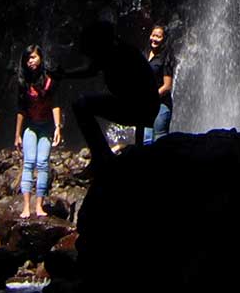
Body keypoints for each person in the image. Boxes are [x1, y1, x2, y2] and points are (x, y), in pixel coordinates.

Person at [68, 21, 159, 169]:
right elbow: (91, 70)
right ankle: (102, 155)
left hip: (140, 108)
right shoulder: (114, 51)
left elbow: (91, 70)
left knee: (82, 104)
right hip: (137, 106)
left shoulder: (119, 53)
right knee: (81, 104)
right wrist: (64, 75)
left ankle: (102, 156)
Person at [14, 45, 61, 219]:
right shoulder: (22, 82)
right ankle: (26, 206)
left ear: (40, 58)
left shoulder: (49, 80)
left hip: (46, 126)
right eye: (28, 59)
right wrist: (17, 134)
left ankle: (39, 205)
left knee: (42, 163)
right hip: (30, 126)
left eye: (33, 57)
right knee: (28, 162)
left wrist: (57, 127)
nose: (31, 61)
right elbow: (21, 109)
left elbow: (55, 103)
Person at [143, 25, 177, 144]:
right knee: (146, 140)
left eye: (158, 36)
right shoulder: (145, 54)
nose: (155, 39)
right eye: (153, 35)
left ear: (164, 39)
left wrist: (150, 97)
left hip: (161, 105)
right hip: (147, 105)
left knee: (159, 141)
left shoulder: (166, 57)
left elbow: (167, 86)